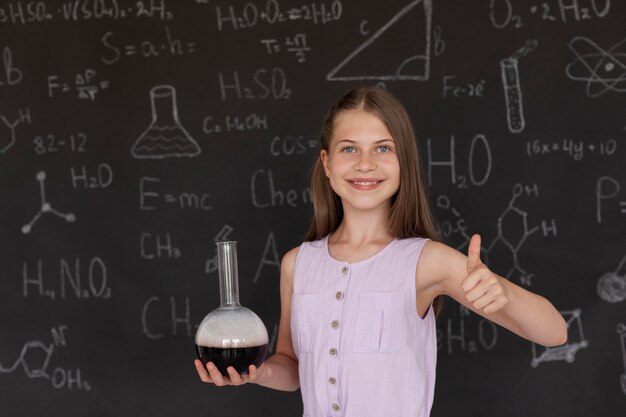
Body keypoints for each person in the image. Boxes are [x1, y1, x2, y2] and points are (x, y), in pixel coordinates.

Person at [194, 86, 568, 416]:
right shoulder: (298, 263)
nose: (365, 164)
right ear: (327, 163)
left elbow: (555, 333)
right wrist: (254, 374)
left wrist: (503, 295)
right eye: (349, 148)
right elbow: (292, 368)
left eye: (383, 148)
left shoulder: (426, 261)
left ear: (403, 161)